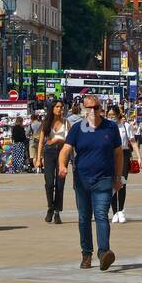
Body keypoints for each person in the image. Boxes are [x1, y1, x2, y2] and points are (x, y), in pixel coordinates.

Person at [59, 94, 122, 271]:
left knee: (101, 215)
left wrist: (118, 178)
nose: (93, 111)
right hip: (82, 180)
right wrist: (62, 166)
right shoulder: (78, 129)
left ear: (101, 108)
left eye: (96, 107)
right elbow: (65, 150)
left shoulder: (111, 128)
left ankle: (104, 253)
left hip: (104, 179)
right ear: (83, 110)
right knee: (84, 218)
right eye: (89, 108)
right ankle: (86, 254)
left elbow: (118, 154)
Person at [35, 100, 71, 224]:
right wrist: (38, 158)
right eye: (57, 107)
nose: (60, 109)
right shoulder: (46, 123)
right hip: (49, 153)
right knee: (49, 183)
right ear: (52, 108)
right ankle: (50, 206)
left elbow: (70, 141)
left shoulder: (66, 122)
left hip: (63, 153)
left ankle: (57, 212)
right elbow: (40, 142)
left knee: (60, 184)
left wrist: (59, 141)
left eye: (61, 107)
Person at [108, 104, 136, 223]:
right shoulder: (106, 126)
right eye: (108, 115)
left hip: (124, 154)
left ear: (118, 114)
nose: (110, 117)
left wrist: (139, 157)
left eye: (112, 115)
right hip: (110, 154)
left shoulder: (125, 126)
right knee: (113, 183)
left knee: (122, 182)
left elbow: (133, 141)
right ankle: (114, 212)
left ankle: (121, 210)